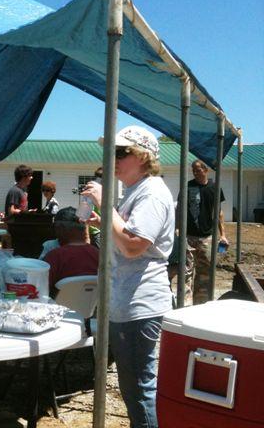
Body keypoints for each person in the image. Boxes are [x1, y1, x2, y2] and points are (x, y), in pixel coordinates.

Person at [82, 125, 174, 428]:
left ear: (144, 157)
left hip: (140, 304)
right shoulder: (138, 190)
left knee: (138, 388)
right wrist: (105, 219)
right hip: (129, 302)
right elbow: (126, 235)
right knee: (134, 386)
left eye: (122, 152)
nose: (114, 158)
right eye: (111, 152)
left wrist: (105, 206)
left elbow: (134, 245)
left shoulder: (152, 193)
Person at [181, 159, 228, 304]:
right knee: (186, 271)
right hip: (188, 236)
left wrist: (223, 235)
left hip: (206, 237)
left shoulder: (215, 187)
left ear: (206, 170)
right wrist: (178, 229)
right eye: (193, 170)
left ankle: (200, 304)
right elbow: (180, 209)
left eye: (198, 170)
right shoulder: (188, 186)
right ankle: (185, 304)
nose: (195, 172)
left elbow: (219, 213)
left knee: (205, 273)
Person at [44, 206, 98, 297]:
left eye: (55, 227)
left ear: (61, 228)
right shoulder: (98, 254)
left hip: (58, 309)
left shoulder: (55, 256)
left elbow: (41, 288)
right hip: (91, 309)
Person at [88, 167, 103, 249]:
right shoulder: (92, 192)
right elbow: (85, 214)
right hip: (95, 232)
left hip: (101, 230)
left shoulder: (104, 191)